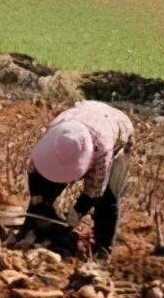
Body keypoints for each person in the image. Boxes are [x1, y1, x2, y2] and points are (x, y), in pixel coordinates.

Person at [26, 101, 134, 259]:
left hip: (117, 129)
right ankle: (35, 224)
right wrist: (38, 202)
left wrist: (74, 217)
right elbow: (35, 171)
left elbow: (95, 192)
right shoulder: (56, 133)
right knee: (47, 184)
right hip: (83, 115)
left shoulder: (103, 150)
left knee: (108, 199)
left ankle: (103, 249)